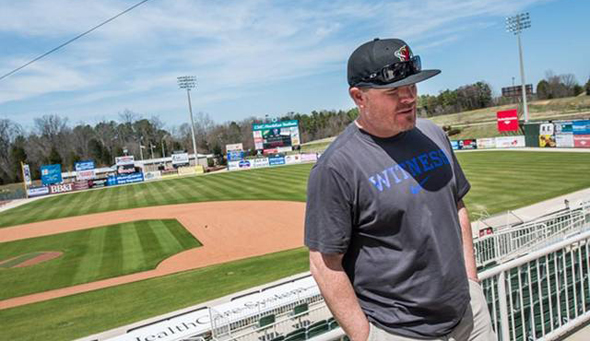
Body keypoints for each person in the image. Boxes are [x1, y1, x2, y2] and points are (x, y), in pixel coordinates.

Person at [304, 38, 496, 341]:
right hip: (401, 332)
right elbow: (324, 264)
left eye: (413, 87)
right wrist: (365, 336)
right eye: (393, 91)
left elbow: (457, 206)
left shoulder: (433, 134)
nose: (409, 98)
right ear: (359, 97)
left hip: (469, 317)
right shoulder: (336, 168)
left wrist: (471, 282)